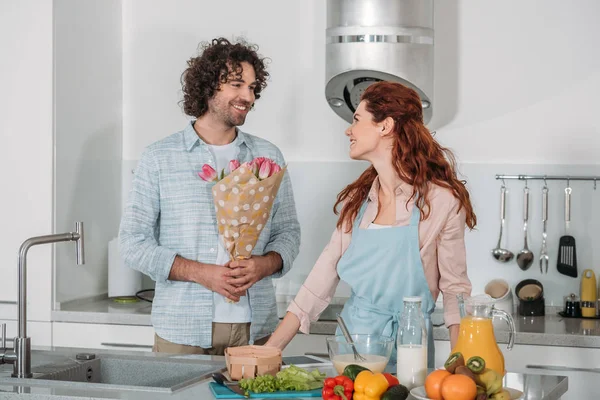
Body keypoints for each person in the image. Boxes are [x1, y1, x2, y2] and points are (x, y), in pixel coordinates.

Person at [265, 81, 476, 367]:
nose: (348, 130)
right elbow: (322, 277)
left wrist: (459, 365)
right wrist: (271, 349)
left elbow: (455, 292)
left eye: (356, 120)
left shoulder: (440, 201)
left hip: (409, 348)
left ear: (385, 126)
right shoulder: (359, 199)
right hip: (350, 346)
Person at [119, 37, 301, 355]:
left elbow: (289, 233)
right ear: (209, 85)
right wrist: (203, 274)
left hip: (255, 327)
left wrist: (265, 264)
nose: (248, 96)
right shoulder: (159, 157)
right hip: (181, 330)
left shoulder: (268, 156)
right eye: (237, 84)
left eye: (253, 87)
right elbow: (133, 244)